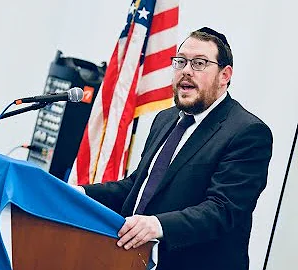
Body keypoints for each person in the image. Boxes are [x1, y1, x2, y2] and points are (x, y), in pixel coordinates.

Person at [78, 27, 272, 270]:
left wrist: (157, 225)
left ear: (225, 75)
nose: (186, 71)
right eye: (180, 62)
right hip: (131, 260)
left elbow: (222, 210)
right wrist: (78, 195)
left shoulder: (247, 132)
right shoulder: (166, 119)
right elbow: (138, 186)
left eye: (199, 63)